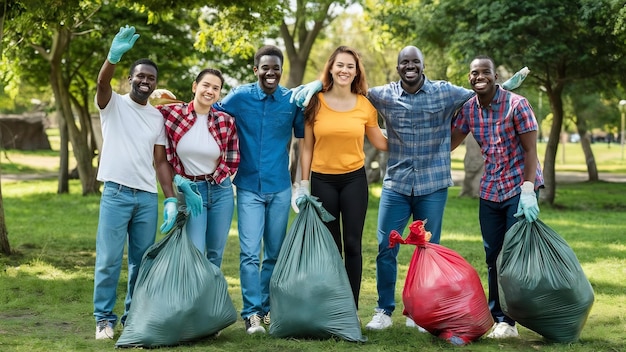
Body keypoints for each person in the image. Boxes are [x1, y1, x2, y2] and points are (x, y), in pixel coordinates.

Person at [293, 46, 525, 331]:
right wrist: (320, 83)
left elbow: (477, 91)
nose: (410, 66)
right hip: (396, 185)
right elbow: (350, 90)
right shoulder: (382, 95)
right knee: (385, 247)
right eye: (405, 62)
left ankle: (422, 312)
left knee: (429, 248)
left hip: (433, 184)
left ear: (423, 65)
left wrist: (502, 87)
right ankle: (383, 310)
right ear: (398, 67)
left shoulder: (445, 92)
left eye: (415, 62)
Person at [214, 45, 305, 335]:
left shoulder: (292, 101)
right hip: (249, 187)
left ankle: (267, 309)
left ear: (281, 70)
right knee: (250, 254)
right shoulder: (240, 97)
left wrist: (299, 182)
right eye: (265, 68)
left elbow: (306, 135)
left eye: (275, 68)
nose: (270, 73)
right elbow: (208, 111)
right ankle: (251, 312)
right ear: (256, 70)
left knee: (274, 254)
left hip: (279, 188)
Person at [451, 55, 543, 339]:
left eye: (485, 72)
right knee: (492, 255)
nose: (479, 76)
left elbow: (530, 151)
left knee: (513, 255)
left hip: (519, 186)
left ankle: (516, 317)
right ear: (469, 77)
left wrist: (528, 190)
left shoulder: (518, 104)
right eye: (474, 73)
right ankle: (500, 318)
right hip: (491, 188)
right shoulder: (469, 109)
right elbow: (448, 142)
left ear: (494, 76)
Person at [93, 25, 175, 340]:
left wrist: (169, 199)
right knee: (109, 260)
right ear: (130, 79)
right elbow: (102, 81)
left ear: (155, 84)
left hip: (144, 198)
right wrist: (113, 57)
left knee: (143, 263)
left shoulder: (157, 118)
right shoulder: (112, 103)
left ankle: (132, 317)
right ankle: (103, 320)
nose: (144, 81)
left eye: (150, 78)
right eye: (139, 76)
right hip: (115, 193)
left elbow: (160, 161)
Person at [294, 46, 387, 310]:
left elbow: (379, 141)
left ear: (356, 72)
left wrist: (412, 141)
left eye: (350, 66)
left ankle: (351, 309)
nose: (345, 70)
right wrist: (302, 185)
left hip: (354, 182)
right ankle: (331, 307)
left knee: (353, 245)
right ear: (331, 68)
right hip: (323, 181)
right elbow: (307, 148)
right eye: (340, 65)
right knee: (331, 248)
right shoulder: (315, 101)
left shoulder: (365, 105)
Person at [155, 68, 240, 268]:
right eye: (205, 85)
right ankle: (191, 297)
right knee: (195, 251)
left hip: (221, 191)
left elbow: (232, 158)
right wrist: (155, 94)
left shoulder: (225, 121)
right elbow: (143, 109)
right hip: (191, 190)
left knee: (215, 254)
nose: (210, 91)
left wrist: (218, 177)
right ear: (195, 86)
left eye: (216, 88)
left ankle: (209, 298)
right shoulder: (172, 113)